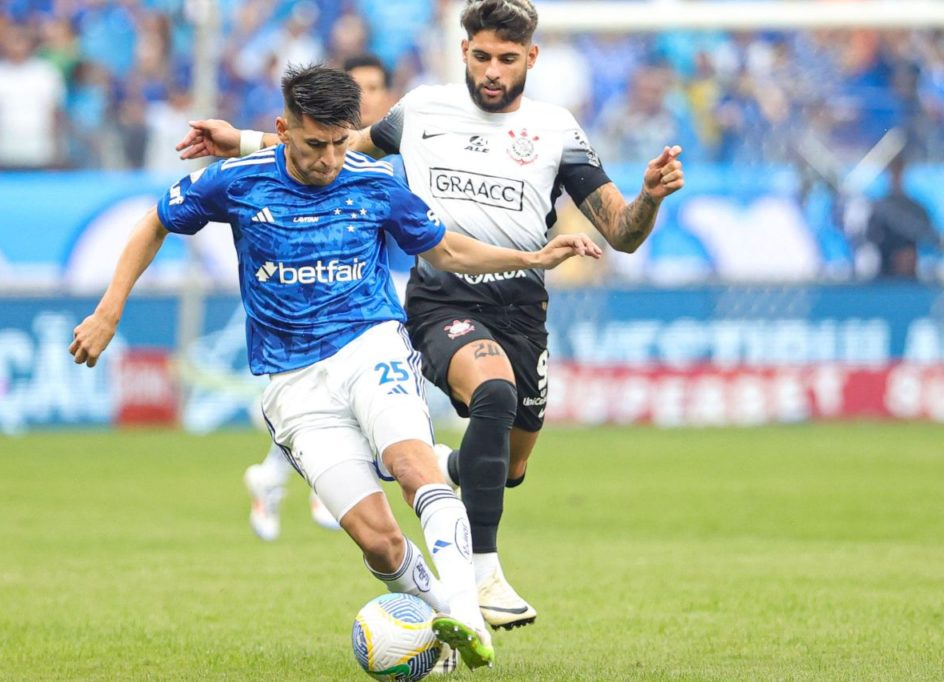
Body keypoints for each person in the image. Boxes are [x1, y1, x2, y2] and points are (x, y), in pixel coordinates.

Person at [175, 0, 685, 631]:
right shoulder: (420, 109)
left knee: (509, 464)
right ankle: (483, 574)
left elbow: (622, 233)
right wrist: (247, 141)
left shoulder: (557, 130)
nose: (492, 71)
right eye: (480, 56)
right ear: (462, 49)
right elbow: (339, 148)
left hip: (522, 302)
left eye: (506, 59)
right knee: (493, 393)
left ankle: (423, 464)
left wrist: (649, 200)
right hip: (442, 296)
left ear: (531, 57)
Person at [71, 64, 602, 670]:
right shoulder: (236, 182)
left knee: (412, 466)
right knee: (377, 540)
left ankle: (466, 609)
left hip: (370, 345)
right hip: (291, 381)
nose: (328, 159)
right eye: (314, 144)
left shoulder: (374, 183)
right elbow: (155, 222)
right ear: (283, 130)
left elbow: (447, 248)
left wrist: (532, 254)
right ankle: (441, 626)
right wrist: (109, 312)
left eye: (340, 142)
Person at [243, 54, 406, 542]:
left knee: (373, 394)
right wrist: (246, 141)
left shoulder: (399, 145)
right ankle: (329, 482)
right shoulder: (331, 151)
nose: (369, 97)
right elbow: (290, 149)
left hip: (387, 280)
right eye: (360, 89)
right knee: (358, 392)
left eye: (376, 87)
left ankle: (274, 477)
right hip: (325, 289)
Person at [866, 153, 939, 280]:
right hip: (885, 276)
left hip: (910, 280)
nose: (895, 176)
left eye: (898, 170)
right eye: (892, 171)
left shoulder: (914, 207)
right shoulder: (878, 208)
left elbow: (929, 234)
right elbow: (870, 237)